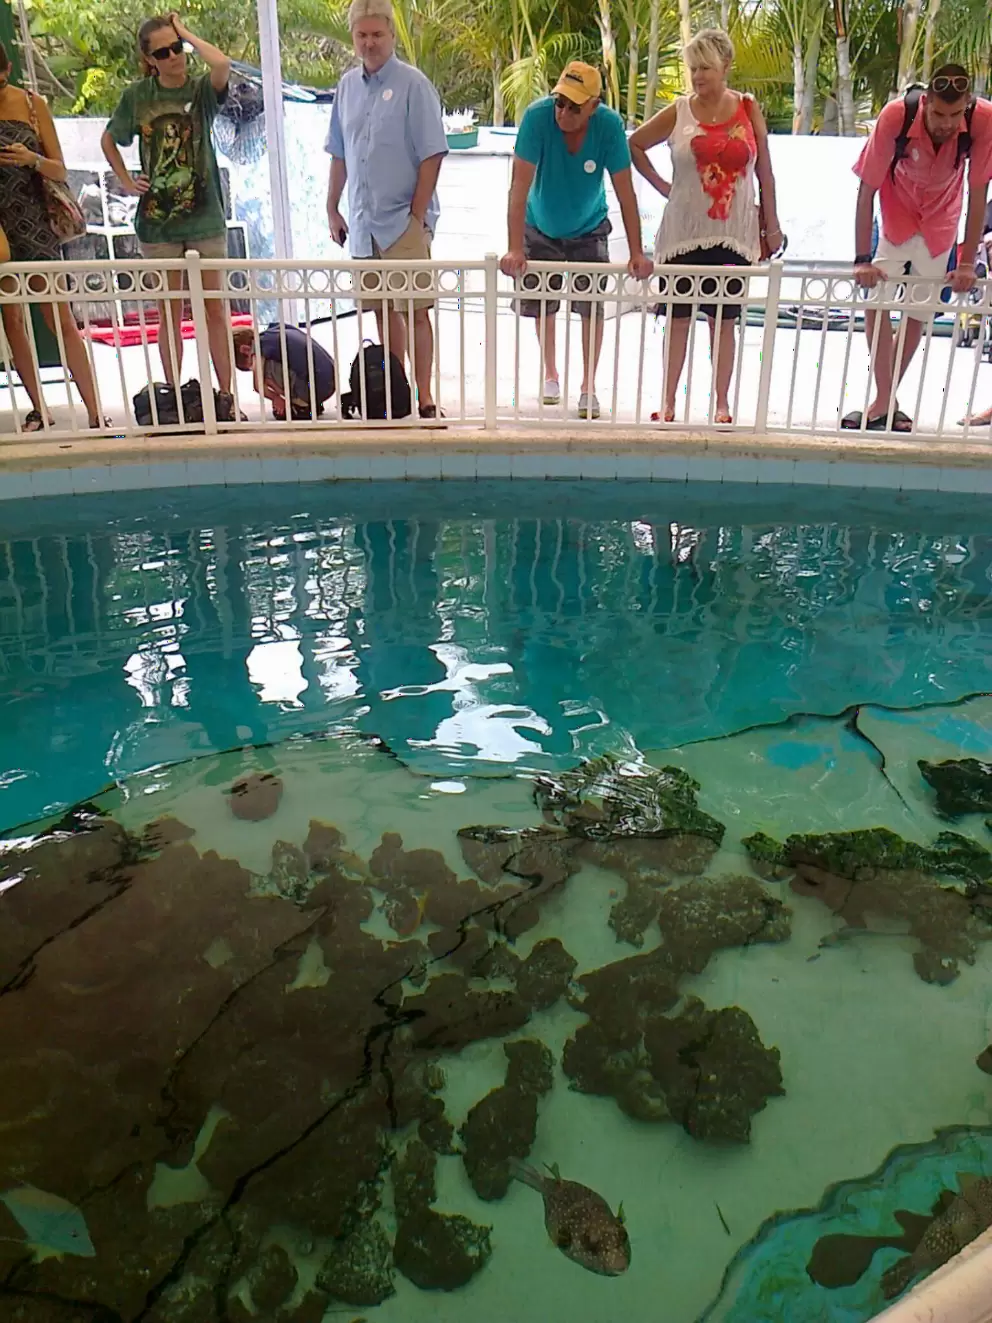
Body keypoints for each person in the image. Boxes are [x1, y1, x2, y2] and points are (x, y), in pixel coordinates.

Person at [630, 28, 783, 425]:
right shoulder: (678, 110)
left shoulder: (748, 109)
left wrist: (772, 223)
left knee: (724, 319)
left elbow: (764, 168)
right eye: (693, 68)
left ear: (725, 67)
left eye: (706, 68)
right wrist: (665, 187)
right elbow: (635, 145)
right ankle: (668, 402)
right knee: (677, 317)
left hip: (733, 231)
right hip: (684, 231)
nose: (698, 76)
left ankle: (721, 403)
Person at [500, 62, 653, 420]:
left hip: (589, 224)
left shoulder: (610, 127)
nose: (564, 113)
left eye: (574, 106)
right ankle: (550, 373)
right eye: (560, 103)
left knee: (591, 305)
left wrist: (636, 252)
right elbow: (518, 189)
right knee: (542, 303)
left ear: (594, 105)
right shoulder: (537, 119)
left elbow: (626, 193)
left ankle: (588, 385)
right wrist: (514, 247)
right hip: (540, 223)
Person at [849, 65, 992, 432]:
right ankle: (886, 401)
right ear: (925, 102)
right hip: (895, 211)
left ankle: (883, 401)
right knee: (875, 300)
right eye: (939, 114)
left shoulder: (983, 120)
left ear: (967, 105)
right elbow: (866, 189)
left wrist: (964, 262)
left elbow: (978, 193)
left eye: (955, 114)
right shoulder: (896, 115)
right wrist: (862, 258)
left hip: (941, 220)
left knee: (918, 311)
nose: (946, 124)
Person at [325, 0, 448, 420]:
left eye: (377, 34)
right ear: (354, 38)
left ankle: (426, 395)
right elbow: (338, 153)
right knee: (381, 311)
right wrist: (332, 208)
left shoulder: (414, 85)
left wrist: (416, 217)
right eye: (362, 35)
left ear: (391, 36)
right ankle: (394, 390)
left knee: (414, 311)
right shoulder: (346, 87)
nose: (369, 43)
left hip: (402, 223)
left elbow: (433, 154)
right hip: (362, 225)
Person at [101, 12, 234, 398]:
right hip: (158, 221)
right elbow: (110, 140)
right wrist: (127, 181)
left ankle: (225, 396)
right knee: (170, 312)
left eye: (177, 48)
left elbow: (222, 63)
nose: (174, 56)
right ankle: (173, 395)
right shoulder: (138, 96)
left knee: (214, 310)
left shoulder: (200, 91)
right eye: (164, 52)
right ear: (150, 59)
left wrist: (187, 32)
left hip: (205, 215)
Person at [0, 43, 105, 432]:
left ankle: (95, 410)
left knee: (58, 316)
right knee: (12, 318)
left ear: (8, 69)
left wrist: (33, 160)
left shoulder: (31, 104)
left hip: (34, 220)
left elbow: (60, 170)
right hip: (1, 229)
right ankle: (38, 407)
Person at [232, 324, 335, 420]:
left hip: (316, 388)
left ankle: (302, 405)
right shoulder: (275, 330)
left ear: (245, 350)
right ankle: (311, 403)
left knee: (265, 374)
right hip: (328, 381)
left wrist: (275, 397)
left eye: (249, 367)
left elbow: (258, 386)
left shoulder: (260, 347)